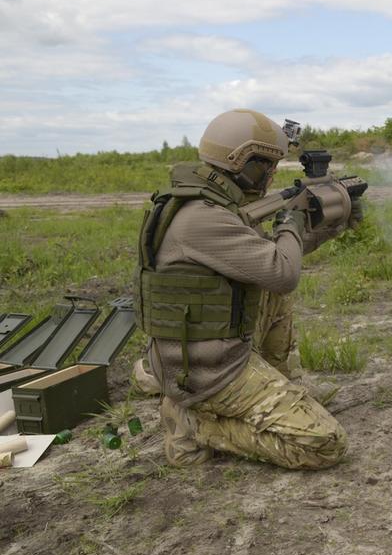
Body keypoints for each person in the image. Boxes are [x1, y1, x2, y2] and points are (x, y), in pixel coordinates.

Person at [134, 108, 351, 469]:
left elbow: (274, 261)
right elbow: (284, 271)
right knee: (325, 443)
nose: (269, 175)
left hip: (205, 352)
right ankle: (196, 425)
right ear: (245, 162)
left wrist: (325, 227)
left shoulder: (211, 204)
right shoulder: (204, 218)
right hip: (209, 372)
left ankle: (280, 386)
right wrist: (291, 222)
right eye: (267, 165)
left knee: (272, 290)